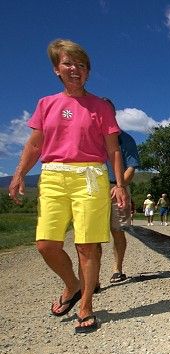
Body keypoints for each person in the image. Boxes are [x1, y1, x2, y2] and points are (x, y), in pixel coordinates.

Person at [8, 39, 127, 333]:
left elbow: (113, 149)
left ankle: (86, 304)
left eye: (81, 65)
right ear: (56, 69)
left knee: (87, 245)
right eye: (68, 64)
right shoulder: (46, 104)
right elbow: (35, 144)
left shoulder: (100, 106)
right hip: (53, 175)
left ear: (88, 72)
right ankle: (72, 285)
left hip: (90, 177)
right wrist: (20, 173)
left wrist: (120, 184)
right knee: (46, 243)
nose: (75, 69)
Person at [97, 98, 140, 284]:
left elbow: (131, 167)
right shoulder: (91, 137)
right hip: (94, 188)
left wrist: (119, 186)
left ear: (113, 114)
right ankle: (93, 277)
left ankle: (117, 269)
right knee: (92, 234)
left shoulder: (126, 139)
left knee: (118, 230)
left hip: (117, 187)